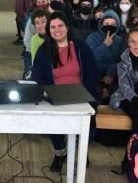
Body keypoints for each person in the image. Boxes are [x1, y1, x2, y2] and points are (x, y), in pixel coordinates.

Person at [32, 11, 99, 173]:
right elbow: (37, 76)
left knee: (88, 119)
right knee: (54, 120)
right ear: (49, 30)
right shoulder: (44, 50)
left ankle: (81, 152)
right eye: (53, 27)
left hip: (81, 93)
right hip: (55, 94)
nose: (57, 30)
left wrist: (85, 91)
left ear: (67, 27)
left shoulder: (81, 47)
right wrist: (49, 93)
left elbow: (92, 72)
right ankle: (59, 153)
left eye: (60, 25)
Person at [86, 10, 125, 102]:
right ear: (101, 24)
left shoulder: (120, 41)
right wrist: (105, 45)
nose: (109, 26)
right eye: (106, 23)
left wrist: (110, 74)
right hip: (95, 75)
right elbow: (90, 59)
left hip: (113, 77)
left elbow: (120, 60)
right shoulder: (92, 38)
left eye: (113, 24)